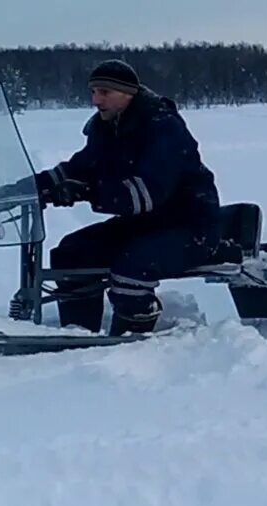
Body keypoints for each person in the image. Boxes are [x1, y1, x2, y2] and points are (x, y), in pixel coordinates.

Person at [31, 59, 222, 336]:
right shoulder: (107, 128)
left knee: (131, 268)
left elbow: (146, 193)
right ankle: (77, 337)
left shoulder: (162, 127)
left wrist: (87, 191)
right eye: (93, 91)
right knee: (71, 254)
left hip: (191, 225)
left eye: (104, 92)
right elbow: (81, 166)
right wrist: (30, 185)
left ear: (128, 93)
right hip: (146, 224)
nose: (96, 100)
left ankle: (130, 346)